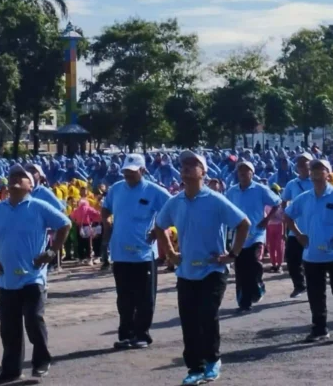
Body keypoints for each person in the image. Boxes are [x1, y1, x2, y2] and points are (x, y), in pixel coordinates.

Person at [154, 151, 250, 386]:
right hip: (186, 272)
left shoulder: (215, 199)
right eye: (183, 165)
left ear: (204, 172)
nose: (186, 168)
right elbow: (159, 226)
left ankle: (212, 360)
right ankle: (194, 368)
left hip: (212, 271)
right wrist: (170, 253)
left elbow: (243, 223)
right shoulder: (174, 202)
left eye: (192, 165)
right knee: (189, 320)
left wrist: (232, 254)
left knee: (206, 315)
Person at [0, 165, 71, 385]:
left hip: (32, 275)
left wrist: (51, 251)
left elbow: (65, 224)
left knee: (34, 319)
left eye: (21, 177)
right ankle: (11, 370)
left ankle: (41, 361)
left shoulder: (38, 206)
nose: (15, 180)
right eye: (12, 177)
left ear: (30, 185)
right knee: (9, 327)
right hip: (6, 277)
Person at [101, 153, 171, 350]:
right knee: (124, 298)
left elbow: (173, 209)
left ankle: (142, 335)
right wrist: (106, 221)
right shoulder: (115, 189)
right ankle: (126, 335)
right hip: (120, 252)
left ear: (142, 170)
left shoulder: (154, 191)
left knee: (144, 298)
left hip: (144, 253)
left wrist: (158, 229)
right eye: (125, 172)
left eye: (132, 172)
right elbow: (105, 208)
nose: (128, 175)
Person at [285, 158, 333, 343]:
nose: (315, 173)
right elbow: (287, 216)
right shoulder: (304, 198)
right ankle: (319, 329)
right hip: (311, 255)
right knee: (315, 295)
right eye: (313, 170)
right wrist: (299, 235)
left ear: (328, 173)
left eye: (320, 169)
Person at [225, 161, 281, 312]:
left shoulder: (260, 189)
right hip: (239, 236)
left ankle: (258, 285)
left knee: (255, 264)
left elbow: (277, 202)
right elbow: (226, 209)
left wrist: (266, 219)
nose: (243, 174)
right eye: (240, 171)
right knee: (241, 270)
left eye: (246, 171)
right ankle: (244, 302)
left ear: (252, 173)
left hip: (256, 234)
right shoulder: (232, 191)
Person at [280, 152, 313, 298]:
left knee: (312, 261)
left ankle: (314, 285)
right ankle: (299, 285)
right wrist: (285, 215)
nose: (302, 167)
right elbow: (284, 200)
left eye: (305, 164)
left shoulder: (316, 182)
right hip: (296, 229)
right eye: (299, 164)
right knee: (292, 259)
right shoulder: (292, 184)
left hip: (314, 228)